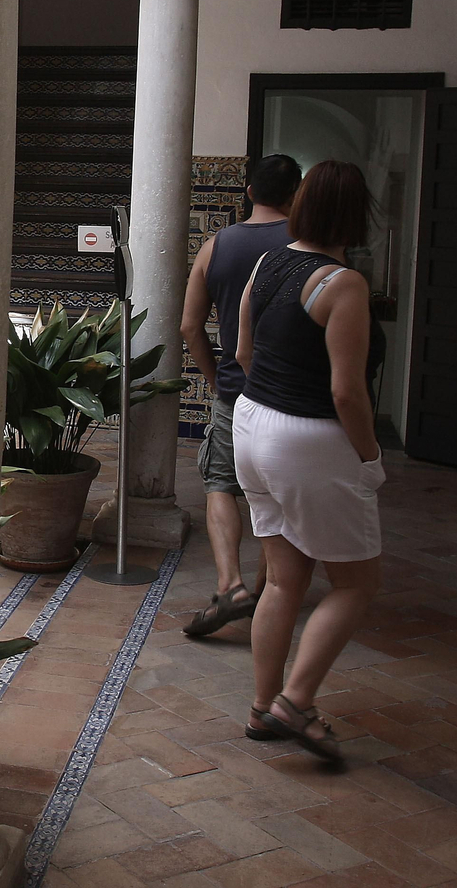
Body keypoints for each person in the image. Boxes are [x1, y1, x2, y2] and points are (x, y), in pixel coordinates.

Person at [233, 159, 383, 763]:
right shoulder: (343, 284)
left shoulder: (268, 262)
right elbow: (347, 392)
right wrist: (369, 455)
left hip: (251, 423)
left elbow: (243, 352)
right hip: (307, 438)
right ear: (355, 215)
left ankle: (262, 708)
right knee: (356, 582)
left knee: (283, 577)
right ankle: (294, 703)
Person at [178, 154, 302, 637]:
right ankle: (270, 589)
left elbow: (190, 327)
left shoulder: (217, 246)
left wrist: (216, 379)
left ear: (248, 192)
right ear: (296, 195)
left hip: (236, 392)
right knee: (278, 496)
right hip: (293, 396)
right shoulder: (308, 245)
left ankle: (230, 585)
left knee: (220, 484)